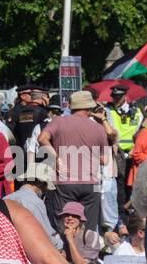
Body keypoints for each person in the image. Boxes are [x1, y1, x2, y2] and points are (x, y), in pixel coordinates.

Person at [38, 90, 110, 231]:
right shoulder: (98, 128)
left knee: (64, 224)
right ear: (89, 108)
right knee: (88, 227)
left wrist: (56, 159)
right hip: (91, 183)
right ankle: (86, 251)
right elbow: (105, 160)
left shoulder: (58, 122)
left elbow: (42, 138)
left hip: (65, 182)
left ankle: (65, 251)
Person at [59, 199, 104, 264]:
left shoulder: (90, 236)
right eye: (66, 215)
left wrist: (70, 240)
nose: (70, 217)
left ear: (81, 219)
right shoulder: (58, 237)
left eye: (74, 215)